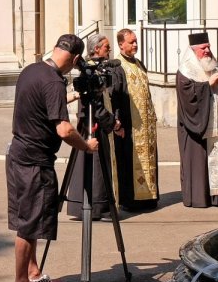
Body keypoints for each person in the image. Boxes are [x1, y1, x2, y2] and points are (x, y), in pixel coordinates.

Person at [5, 34, 98, 282]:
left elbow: (40, 103)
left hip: (19, 154)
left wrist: (68, 96)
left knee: (29, 219)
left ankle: (32, 274)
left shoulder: (33, 70)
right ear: (76, 59)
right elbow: (65, 129)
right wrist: (87, 146)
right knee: (29, 222)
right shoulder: (54, 82)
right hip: (34, 161)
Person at [65, 34, 124, 220]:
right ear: (95, 49)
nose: (109, 50)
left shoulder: (99, 70)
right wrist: (112, 123)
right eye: (106, 46)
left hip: (97, 122)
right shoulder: (89, 72)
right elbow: (96, 105)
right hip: (93, 126)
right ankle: (98, 207)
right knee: (96, 167)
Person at [176, 32, 218, 208]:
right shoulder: (185, 71)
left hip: (216, 126)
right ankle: (200, 198)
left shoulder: (215, 67)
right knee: (198, 161)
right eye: (204, 48)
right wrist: (207, 85)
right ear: (194, 50)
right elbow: (188, 97)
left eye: (208, 47)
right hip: (195, 127)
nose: (208, 50)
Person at [114, 28, 160, 211]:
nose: (135, 45)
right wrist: (117, 121)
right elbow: (116, 96)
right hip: (130, 124)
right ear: (121, 44)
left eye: (136, 41)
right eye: (131, 42)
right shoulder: (118, 66)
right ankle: (131, 201)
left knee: (149, 160)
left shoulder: (139, 63)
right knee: (129, 162)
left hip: (146, 125)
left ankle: (149, 198)